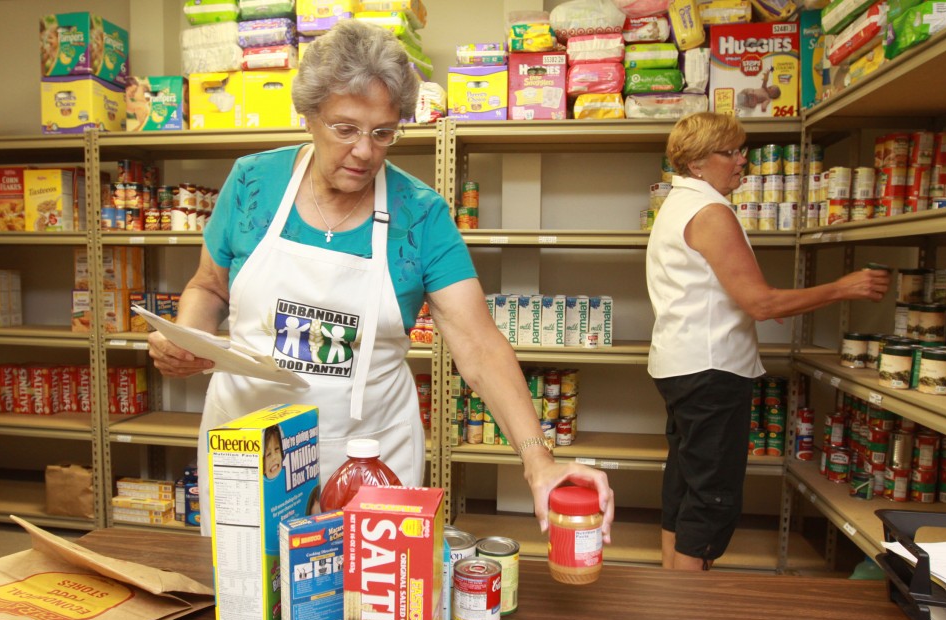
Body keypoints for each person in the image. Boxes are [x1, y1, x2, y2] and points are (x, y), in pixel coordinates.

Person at [148, 20, 614, 539]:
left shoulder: (421, 216)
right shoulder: (254, 183)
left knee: (372, 608)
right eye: (344, 129)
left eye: (382, 133)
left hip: (367, 463)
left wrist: (538, 461)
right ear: (308, 115)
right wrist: (186, 341)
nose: (365, 152)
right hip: (252, 453)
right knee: (249, 606)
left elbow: (479, 346)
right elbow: (209, 287)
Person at [646, 112, 889, 571]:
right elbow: (761, 302)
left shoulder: (676, 206)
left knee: (685, 481)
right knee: (713, 496)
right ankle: (687, 613)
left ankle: (671, 596)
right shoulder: (710, 212)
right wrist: (845, 287)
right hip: (711, 371)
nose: (743, 162)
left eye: (744, 151)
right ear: (697, 162)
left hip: (680, 365)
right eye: (731, 152)